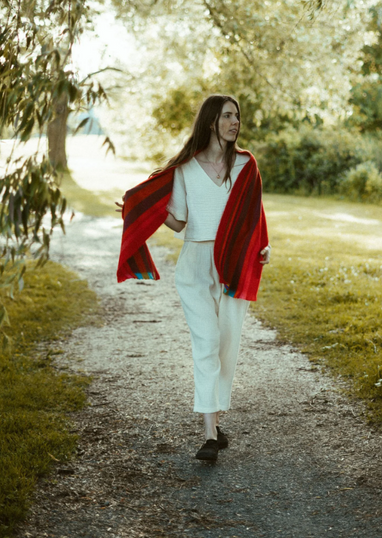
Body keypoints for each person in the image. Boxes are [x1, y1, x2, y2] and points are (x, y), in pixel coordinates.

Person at [116, 94, 270, 462]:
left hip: (234, 261)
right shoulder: (185, 168)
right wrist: (143, 210)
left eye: (237, 116)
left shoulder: (246, 164)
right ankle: (209, 437)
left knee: (226, 345)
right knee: (206, 342)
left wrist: (266, 246)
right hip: (196, 264)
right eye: (228, 116)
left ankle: (215, 421)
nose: (235, 122)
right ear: (211, 121)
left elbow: (254, 216)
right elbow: (180, 222)